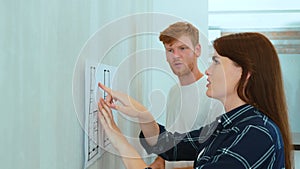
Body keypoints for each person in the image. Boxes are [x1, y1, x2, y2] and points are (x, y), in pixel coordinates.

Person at [97, 32, 294, 169]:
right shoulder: (227, 125)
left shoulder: (256, 135)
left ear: (246, 74)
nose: (208, 70)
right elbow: (169, 145)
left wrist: (121, 143)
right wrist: (143, 114)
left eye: (216, 62)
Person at [150, 22, 223, 169]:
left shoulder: (213, 93)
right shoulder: (173, 92)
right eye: (170, 50)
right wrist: (159, 162)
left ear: (197, 50)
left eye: (182, 48)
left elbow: (216, 153)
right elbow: (171, 137)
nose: (176, 56)